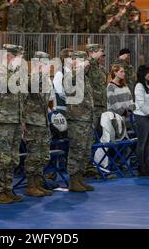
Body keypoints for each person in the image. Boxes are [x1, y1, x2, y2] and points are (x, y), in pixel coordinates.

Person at [0, 44, 25, 204]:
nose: (22, 60)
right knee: (2, 158)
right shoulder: (0, 72)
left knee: (13, 158)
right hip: (3, 121)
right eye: (19, 56)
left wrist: (22, 120)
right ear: (9, 57)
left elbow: (21, 99)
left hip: (16, 121)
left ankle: (8, 188)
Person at [23, 51, 54, 197]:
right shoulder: (32, 79)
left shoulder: (46, 80)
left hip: (43, 121)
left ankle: (38, 183)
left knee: (43, 155)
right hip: (33, 122)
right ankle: (31, 185)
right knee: (34, 155)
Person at [65, 51, 95, 192]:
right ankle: (73, 180)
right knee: (76, 150)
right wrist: (80, 67)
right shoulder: (71, 75)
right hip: (77, 120)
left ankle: (79, 178)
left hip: (87, 119)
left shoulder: (85, 78)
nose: (87, 66)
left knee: (85, 150)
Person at [134, 65, 149, 176]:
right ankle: (141, 166)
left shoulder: (148, 85)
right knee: (142, 143)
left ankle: (146, 166)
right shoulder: (139, 86)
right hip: (142, 116)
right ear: (143, 73)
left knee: (147, 143)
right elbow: (141, 103)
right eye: (148, 72)